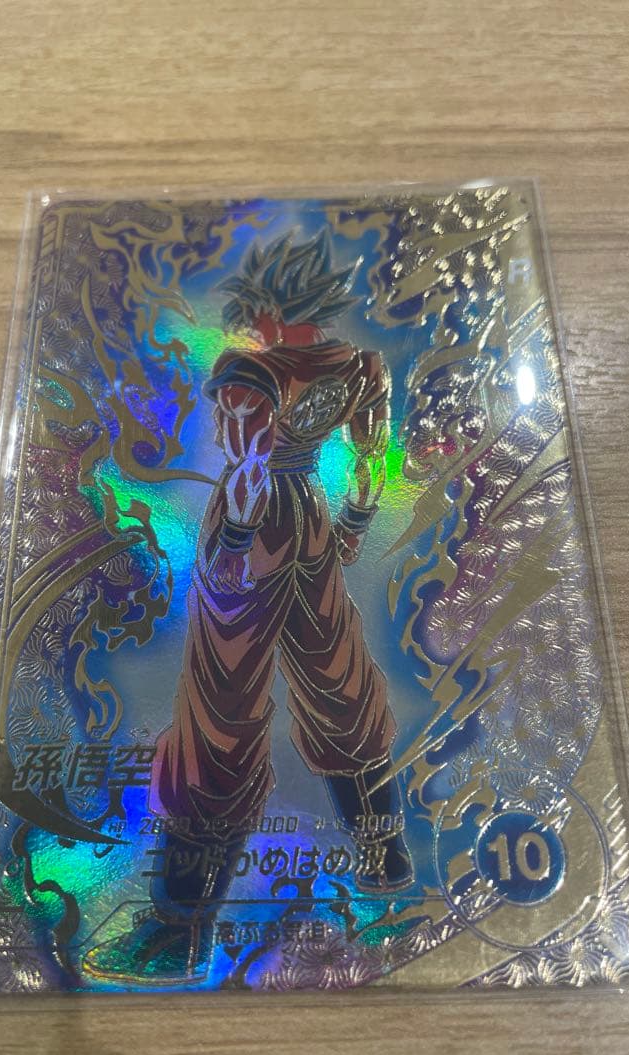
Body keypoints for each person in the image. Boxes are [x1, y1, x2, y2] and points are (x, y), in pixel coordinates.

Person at [84, 230, 413, 985]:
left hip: (254, 526)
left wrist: (234, 539)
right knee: (338, 678)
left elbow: (250, 468)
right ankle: (387, 864)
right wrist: (352, 525)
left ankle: (180, 927)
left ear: (268, 309)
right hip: (313, 524)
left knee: (220, 707)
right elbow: (370, 464)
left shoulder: (249, 374)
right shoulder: (358, 367)